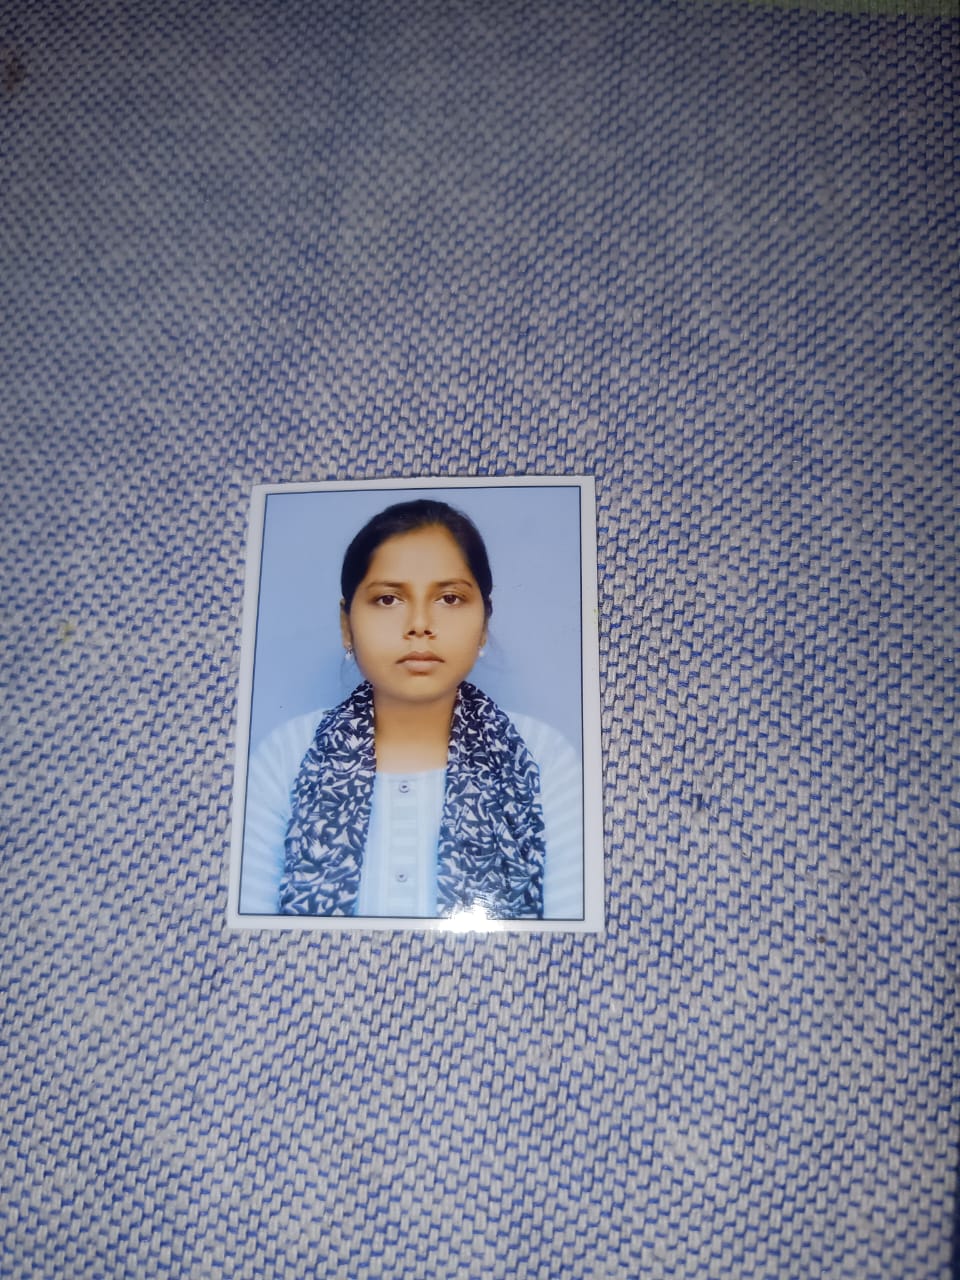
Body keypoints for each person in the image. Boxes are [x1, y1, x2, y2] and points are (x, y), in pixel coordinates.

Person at [239, 498, 583, 920]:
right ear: (347, 624)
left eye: (450, 598)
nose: (420, 624)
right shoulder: (286, 755)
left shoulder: (545, 759)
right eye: (388, 600)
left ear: (484, 624)